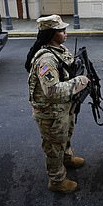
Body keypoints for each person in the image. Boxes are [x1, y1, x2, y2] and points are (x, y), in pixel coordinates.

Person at [25, 15, 90, 193]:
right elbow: (52, 91)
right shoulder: (46, 60)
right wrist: (79, 82)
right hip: (50, 112)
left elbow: (68, 68)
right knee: (54, 145)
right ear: (51, 34)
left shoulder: (59, 49)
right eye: (61, 31)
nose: (65, 33)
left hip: (63, 107)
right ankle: (56, 180)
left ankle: (67, 158)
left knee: (66, 134)